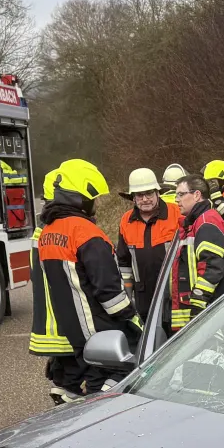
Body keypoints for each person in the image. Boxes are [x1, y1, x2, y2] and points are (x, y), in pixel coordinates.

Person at [28, 160, 142, 403]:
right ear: (81, 198)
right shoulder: (86, 233)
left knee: (83, 376)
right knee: (127, 365)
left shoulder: (48, 233)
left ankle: (72, 398)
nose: (96, 204)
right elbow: (110, 293)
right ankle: (95, 407)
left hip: (73, 331)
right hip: (96, 326)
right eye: (93, 198)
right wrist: (132, 316)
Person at [165, 174, 224, 333]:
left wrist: (197, 303)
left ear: (197, 195)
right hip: (206, 313)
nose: (176, 200)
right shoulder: (195, 223)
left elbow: (213, 268)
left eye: (181, 194)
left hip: (210, 313)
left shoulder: (206, 221)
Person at [114, 167, 181, 320]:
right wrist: (128, 293)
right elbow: (124, 261)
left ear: (158, 193)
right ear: (133, 198)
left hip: (173, 293)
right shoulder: (126, 221)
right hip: (143, 297)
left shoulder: (176, 214)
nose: (145, 199)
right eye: (140, 195)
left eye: (149, 193)